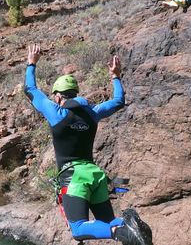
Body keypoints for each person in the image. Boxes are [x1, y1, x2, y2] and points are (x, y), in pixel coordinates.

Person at [23, 44, 152, 245]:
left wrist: (32, 63)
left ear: (58, 96)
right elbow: (118, 101)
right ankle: (129, 226)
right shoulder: (92, 113)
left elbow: (30, 89)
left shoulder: (56, 112)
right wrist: (116, 76)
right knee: (107, 223)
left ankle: (123, 230)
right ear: (75, 92)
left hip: (74, 177)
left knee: (78, 229)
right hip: (96, 175)